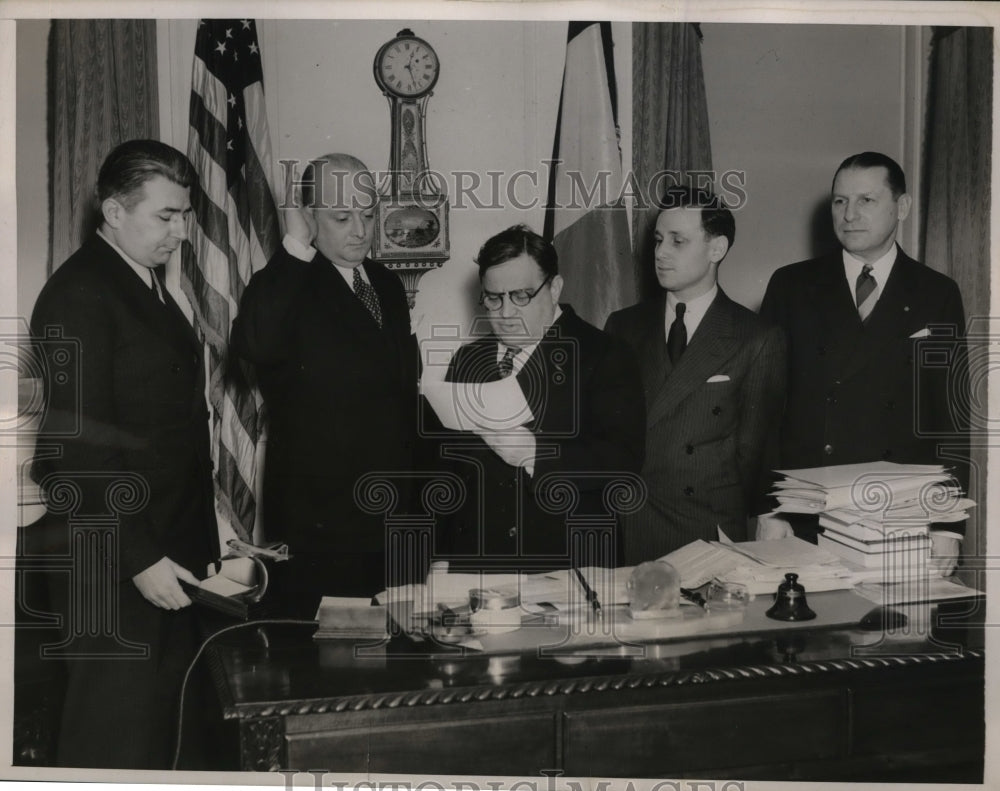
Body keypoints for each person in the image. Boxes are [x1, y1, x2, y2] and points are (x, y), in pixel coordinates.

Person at [27, 139, 218, 768]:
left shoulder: (148, 287)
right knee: (113, 745)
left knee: (169, 741)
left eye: (185, 216)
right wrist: (141, 559)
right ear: (113, 211)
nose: (181, 233)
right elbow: (78, 451)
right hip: (112, 564)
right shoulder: (78, 293)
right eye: (166, 216)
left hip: (165, 551)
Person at [759, 151, 968, 575]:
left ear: (902, 207)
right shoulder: (791, 285)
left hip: (900, 511)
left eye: (866, 201)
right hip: (806, 509)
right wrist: (771, 507)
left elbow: (949, 418)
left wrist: (947, 524)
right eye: (840, 201)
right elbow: (764, 409)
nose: (849, 214)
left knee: (892, 633)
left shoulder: (937, 293)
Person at [231, 154, 419, 613]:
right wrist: (296, 245)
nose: (360, 229)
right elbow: (253, 343)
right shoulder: (288, 281)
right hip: (320, 517)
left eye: (368, 214)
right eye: (341, 216)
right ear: (309, 217)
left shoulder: (387, 284)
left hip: (394, 513)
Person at [439, 225, 645, 570]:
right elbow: (449, 473)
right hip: (477, 566)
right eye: (493, 297)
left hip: (568, 564)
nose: (505, 313)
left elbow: (624, 463)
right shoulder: (467, 361)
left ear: (555, 288)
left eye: (521, 296)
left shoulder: (605, 354)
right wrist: (441, 555)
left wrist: (537, 454)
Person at [605, 187, 786, 561]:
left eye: (678, 241)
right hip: (629, 525)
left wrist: (770, 514)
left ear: (716, 249)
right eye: (658, 240)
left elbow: (758, 445)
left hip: (705, 531)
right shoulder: (623, 325)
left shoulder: (756, 337)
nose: (660, 253)